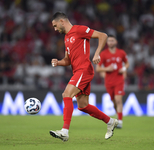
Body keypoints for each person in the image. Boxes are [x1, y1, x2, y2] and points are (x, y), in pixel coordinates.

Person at [50, 12, 118, 142]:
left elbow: (103, 35)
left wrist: (97, 54)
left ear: (62, 21)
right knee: (83, 105)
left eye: (55, 25)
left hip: (84, 70)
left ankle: (64, 131)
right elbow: (68, 60)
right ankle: (110, 122)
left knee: (66, 94)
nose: (55, 29)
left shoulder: (79, 29)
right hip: (78, 71)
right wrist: (58, 62)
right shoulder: (66, 38)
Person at [96, 35, 129, 128]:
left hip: (119, 80)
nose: (110, 42)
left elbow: (127, 63)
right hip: (109, 82)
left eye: (112, 40)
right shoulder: (103, 54)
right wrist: (107, 69)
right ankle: (118, 114)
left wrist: (124, 68)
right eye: (109, 41)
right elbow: (98, 68)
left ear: (116, 42)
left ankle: (120, 122)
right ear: (107, 43)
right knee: (114, 101)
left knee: (118, 100)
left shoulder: (121, 53)